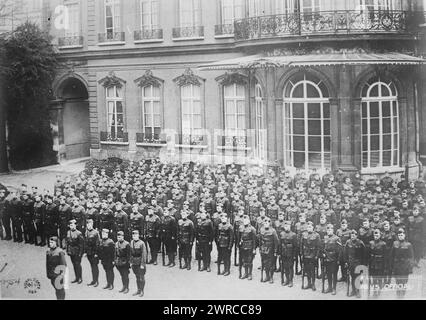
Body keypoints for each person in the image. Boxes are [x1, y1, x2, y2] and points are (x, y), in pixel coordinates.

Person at [391, 228, 415, 298]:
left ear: (404, 235)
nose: (400, 236)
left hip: (405, 266)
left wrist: (410, 268)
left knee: (404, 281)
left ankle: (402, 295)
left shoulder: (408, 245)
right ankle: (398, 294)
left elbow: (411, 257)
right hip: (397, 266)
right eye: (399, 235)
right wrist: (392, 266)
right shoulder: (395, 243)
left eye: (401, 235)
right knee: (398, 281)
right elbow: (392, 255)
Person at [344, 230, 366, 298]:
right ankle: (353, 290)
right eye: (351, 235)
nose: (352, 236)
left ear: (357, 236)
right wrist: (346, 262)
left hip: (358, 263)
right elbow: (345, 253)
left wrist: (363, 265)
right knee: (352, 277)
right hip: (351, 263)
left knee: (358, 278)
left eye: (354, 235)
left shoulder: (360, 243)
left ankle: (358, 291)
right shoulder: (348, 242)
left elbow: (364, 254)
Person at [300, 221, 321, 291]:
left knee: (312, 270)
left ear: (313, 228)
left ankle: (313, 284)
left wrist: (317, 256)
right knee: (307, 270)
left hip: (313, 255)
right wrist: (301, 254)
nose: (309, 228)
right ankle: (308, 283)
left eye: (310, 227)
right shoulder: (303, 234)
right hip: (306, 254)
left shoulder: (317, 235)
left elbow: (318, 247)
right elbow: (301, 245)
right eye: (308, 227)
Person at [258, 217, 279, 284]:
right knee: (265, 263)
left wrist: (275, 251)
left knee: (271, 264)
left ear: (270, 223)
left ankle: (271, 277)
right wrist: (260, 248)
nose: (266, 224)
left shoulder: (273, 231)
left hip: (271, 249)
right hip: (264, 249)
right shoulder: (261, 230)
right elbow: (260, 240)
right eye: (265, 222)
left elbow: (276, 242)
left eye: (267, 222)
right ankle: (267, 276)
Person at [367, 229, 387, 297]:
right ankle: (375, 291)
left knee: (379, 278)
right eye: (375, 235)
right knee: (374, 278)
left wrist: (385, 266)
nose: (376, 236)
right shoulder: (370, 243)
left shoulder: (383, 244)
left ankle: (379, 290)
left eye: (377, 235)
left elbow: (385, 255)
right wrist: (368, 263)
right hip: (372, 263)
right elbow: (368, 254)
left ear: (380, 235)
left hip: (380, 263)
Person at [238, 215, 257, 280]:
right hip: (243, 246)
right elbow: (240, 236)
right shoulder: (241, 227)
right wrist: (240, 242)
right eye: (244, 220)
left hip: (250, 246)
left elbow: (255, 240)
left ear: (249, 221)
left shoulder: (252, 229)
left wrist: (254, 249)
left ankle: (250, 274)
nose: (245, 221)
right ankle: (245, 273)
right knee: (244, 260)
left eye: (246, 220)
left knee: (250, 260)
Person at [66, 219, 84, 284]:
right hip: (71, 251)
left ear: (75, 225)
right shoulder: (68, 232)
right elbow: (67, 242)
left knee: (78, 265)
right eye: (70, 225)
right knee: (74, 264)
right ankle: (76, 277)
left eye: (73, 225)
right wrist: (67, 250)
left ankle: (80, 278)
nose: (72, 226)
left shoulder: (79, 233)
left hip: (77, 251)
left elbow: (81, 245)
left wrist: (80, 253)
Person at [130, 230, 147, 297]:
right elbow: (130, 253)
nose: (134, 237)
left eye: (136, 235)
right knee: (137, 277)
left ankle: (142, 291)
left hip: (140, 262)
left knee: (141, 277)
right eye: (133, 235)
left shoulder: (142, 243)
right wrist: (131, 262)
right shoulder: (131, 242)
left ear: (138, 235)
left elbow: (144, 254)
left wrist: (143, 264)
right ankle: (138, 290)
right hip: (134, 263)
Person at [85, 218, 100, 287]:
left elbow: (97, 244)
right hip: (89, 252)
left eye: (90, 224)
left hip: (94, 253)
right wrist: (86, 252)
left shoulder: (96, 233)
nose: (89, 226)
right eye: (87, 224)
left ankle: (96, 281)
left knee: (95, 267)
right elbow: (86, 243)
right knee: (92, 267)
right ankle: (93, 280)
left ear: (92, 224)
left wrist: (97, 253)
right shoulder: (86, 232)